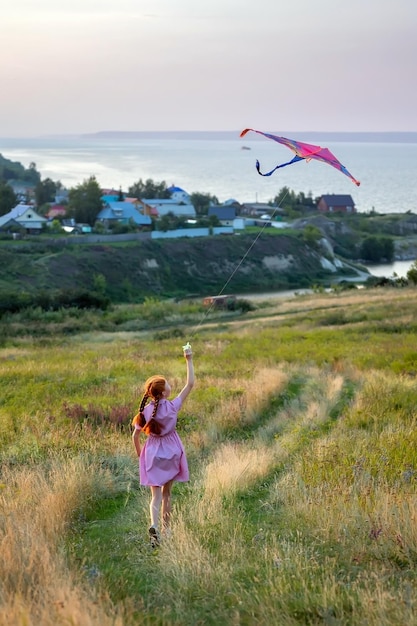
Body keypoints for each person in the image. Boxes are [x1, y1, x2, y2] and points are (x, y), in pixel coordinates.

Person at [132, 344, 195, 547]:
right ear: (164, 393)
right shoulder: (173, 406)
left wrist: (140, 454)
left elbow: (135, 436)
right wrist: (189, 359)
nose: (170, 386)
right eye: (167, 384)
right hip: (171, 452)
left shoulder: (145, 412)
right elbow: (190, 384)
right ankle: (166, 533)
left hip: (152, 452)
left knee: (155, 496)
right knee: (167, 495)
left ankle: (154, 525)